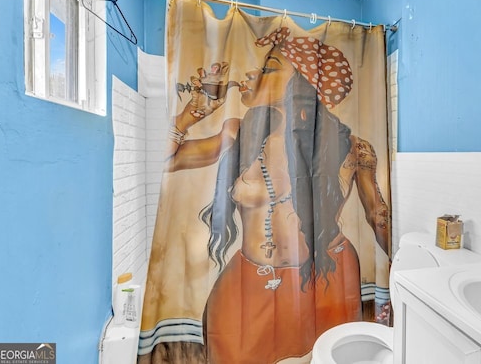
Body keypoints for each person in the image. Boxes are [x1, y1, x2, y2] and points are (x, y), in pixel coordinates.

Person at [167, 27, 390, 363]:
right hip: (250, 282)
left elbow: (379, 217)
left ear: (303, 84)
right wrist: (192, 113)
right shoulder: (238, 132)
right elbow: (166, 160)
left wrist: (402, 280)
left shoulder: (353, 147)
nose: (251, 73)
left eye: (269, 68)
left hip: (327, 275)